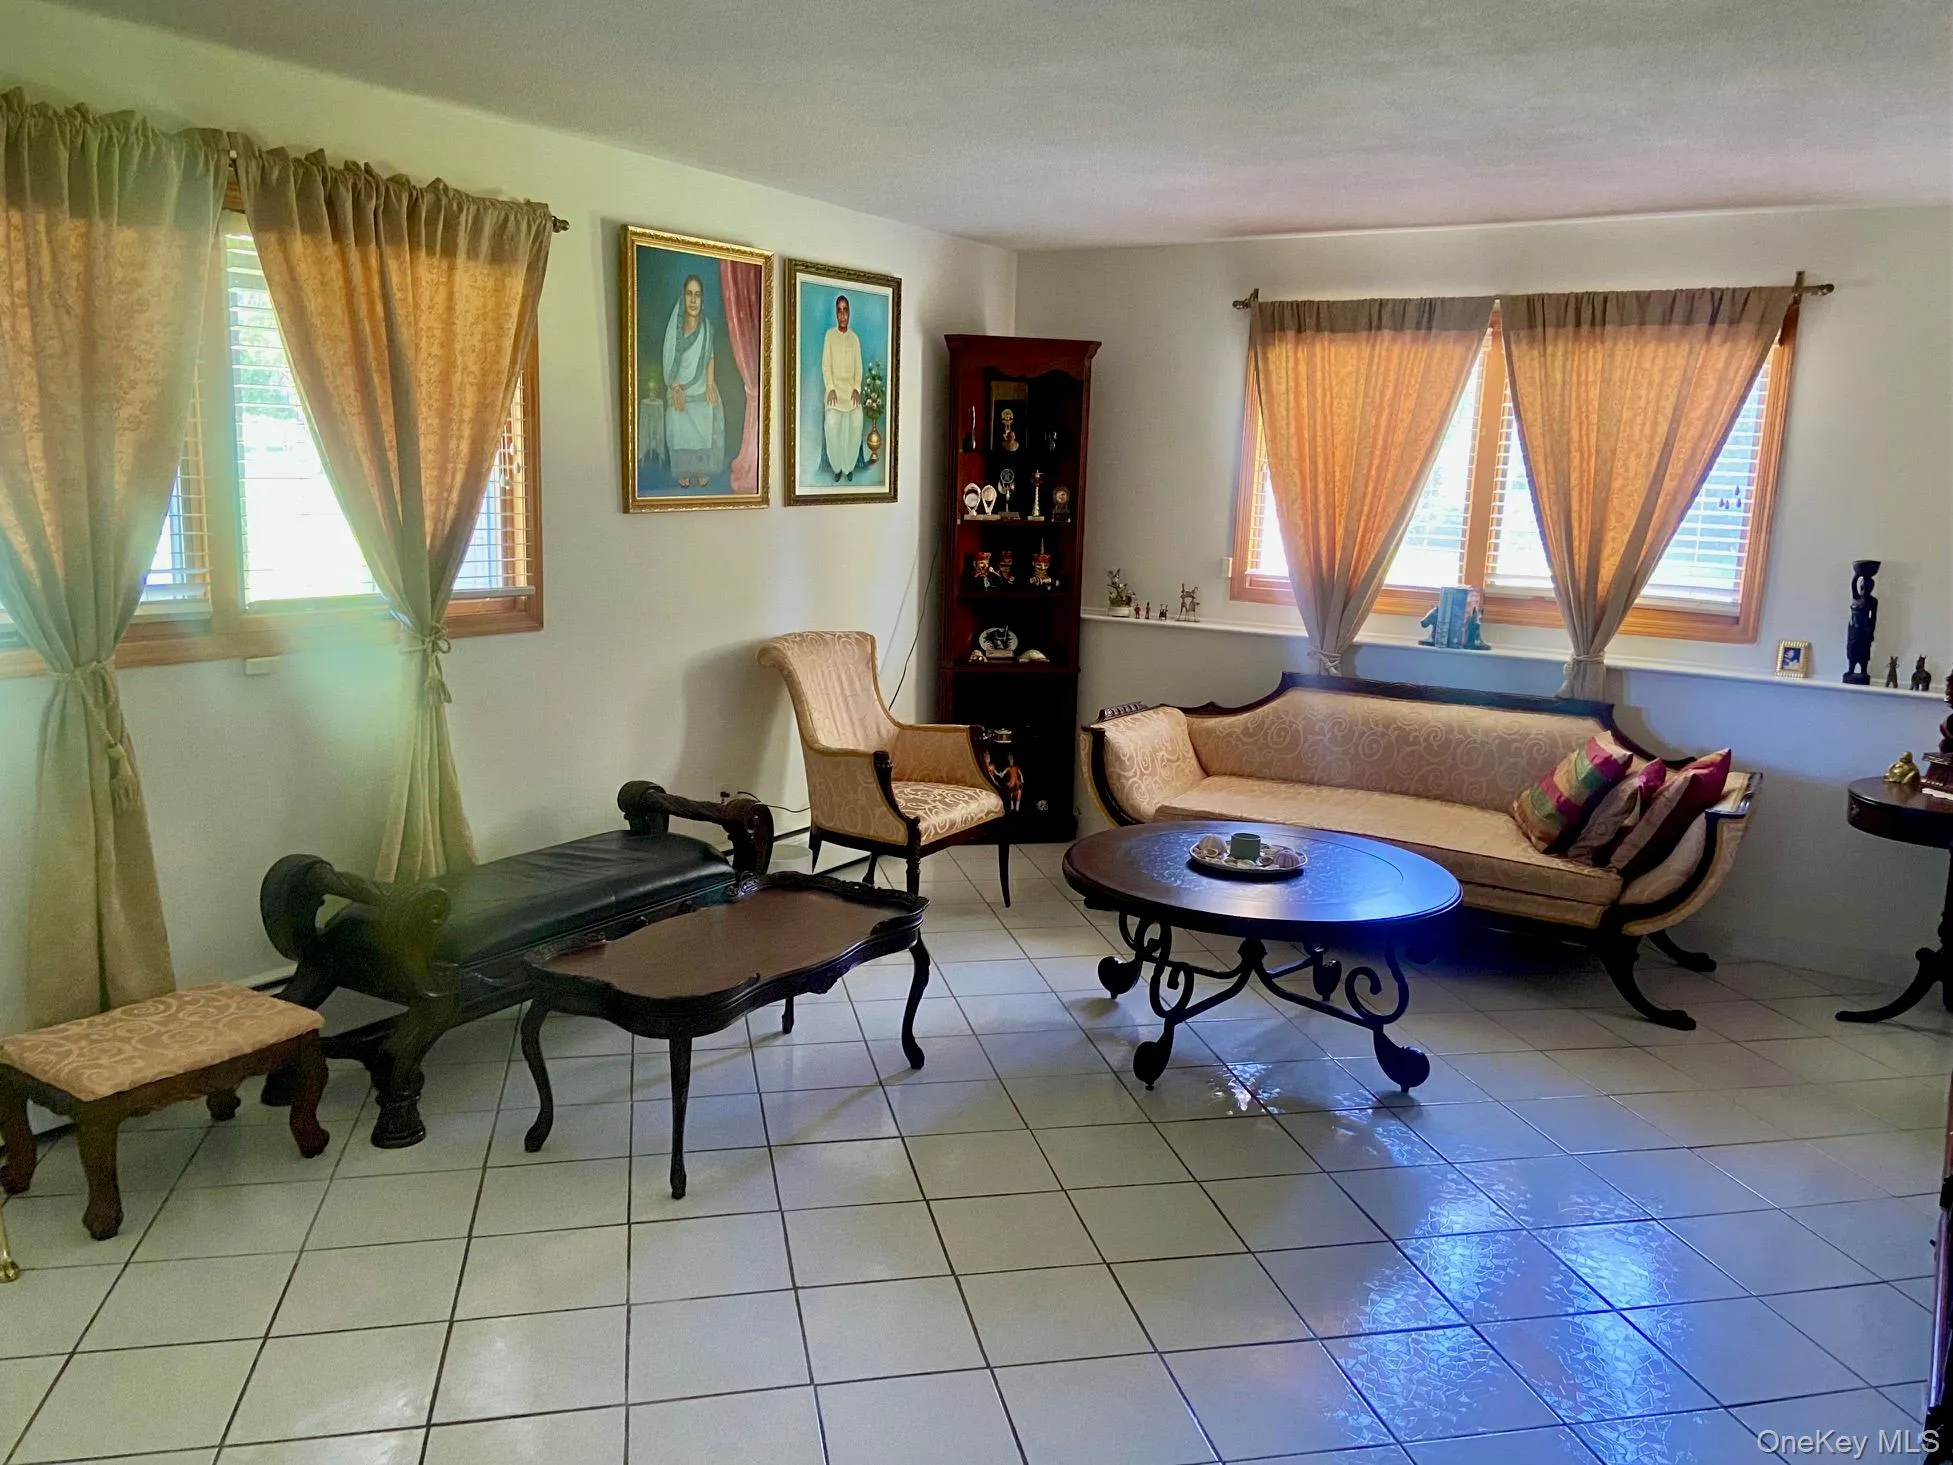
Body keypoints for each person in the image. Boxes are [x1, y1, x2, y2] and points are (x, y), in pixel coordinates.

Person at [661, 274, 725, 487]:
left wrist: (709, 385)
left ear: (702, 299)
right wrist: (675, 387)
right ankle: (683, 469)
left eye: (697, 295)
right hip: (680, 388)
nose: (693, 300)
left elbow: (710, 357)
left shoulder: (706, 328)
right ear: (683, 297)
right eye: (689, 294)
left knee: (706, 413)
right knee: (678, 421)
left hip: (701, 385)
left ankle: (701, 468)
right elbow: (670, 363)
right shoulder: (675, 330)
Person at [821, 294, 864, 481]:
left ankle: (849, 466)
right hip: (835, 393)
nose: (842, 315)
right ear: (836, 314)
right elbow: (826, 365)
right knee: (831, 425)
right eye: (839, 311)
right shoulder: (830, 336)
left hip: (851, 393)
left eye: (845, 310)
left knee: (857, 423)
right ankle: (837, 466)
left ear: (849, 313)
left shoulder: (854, 339)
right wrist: (830, 388)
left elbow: (858, 367)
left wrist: (857, 388)